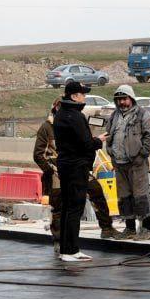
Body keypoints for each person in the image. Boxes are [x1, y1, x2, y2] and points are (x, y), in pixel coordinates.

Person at [34, 98, 117, 252]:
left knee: (96, 191)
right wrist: (50, 170)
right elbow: (38, 155)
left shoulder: (72, 122)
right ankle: (59, 240)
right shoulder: (47, 127)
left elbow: (82, 144)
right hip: (57, 170)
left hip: (77, 167)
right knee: (59, 205)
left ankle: (107, 227)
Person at [52, 79, 106, 262]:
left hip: (66, 166)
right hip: (76, 167)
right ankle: (70, 250)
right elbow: (86, 144)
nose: (84, 97)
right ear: (75, 96)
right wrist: (99, 141)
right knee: (75, 208)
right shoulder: (74, 116)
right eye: (82, 94)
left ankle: (68, 249)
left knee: (68, 207)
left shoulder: (61, 113)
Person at [104, 84, 150, 239]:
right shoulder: (114, 116)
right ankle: (130, 228)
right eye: (119, 99)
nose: (121, 102)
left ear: (131, 98)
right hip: (119, 163)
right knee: (124, 197)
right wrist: (110, 152)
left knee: (141, 196)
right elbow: (109, 135)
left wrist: (142, 155)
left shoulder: (142, 115)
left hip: (136, 163)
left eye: (124, 99)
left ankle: (146, 229)